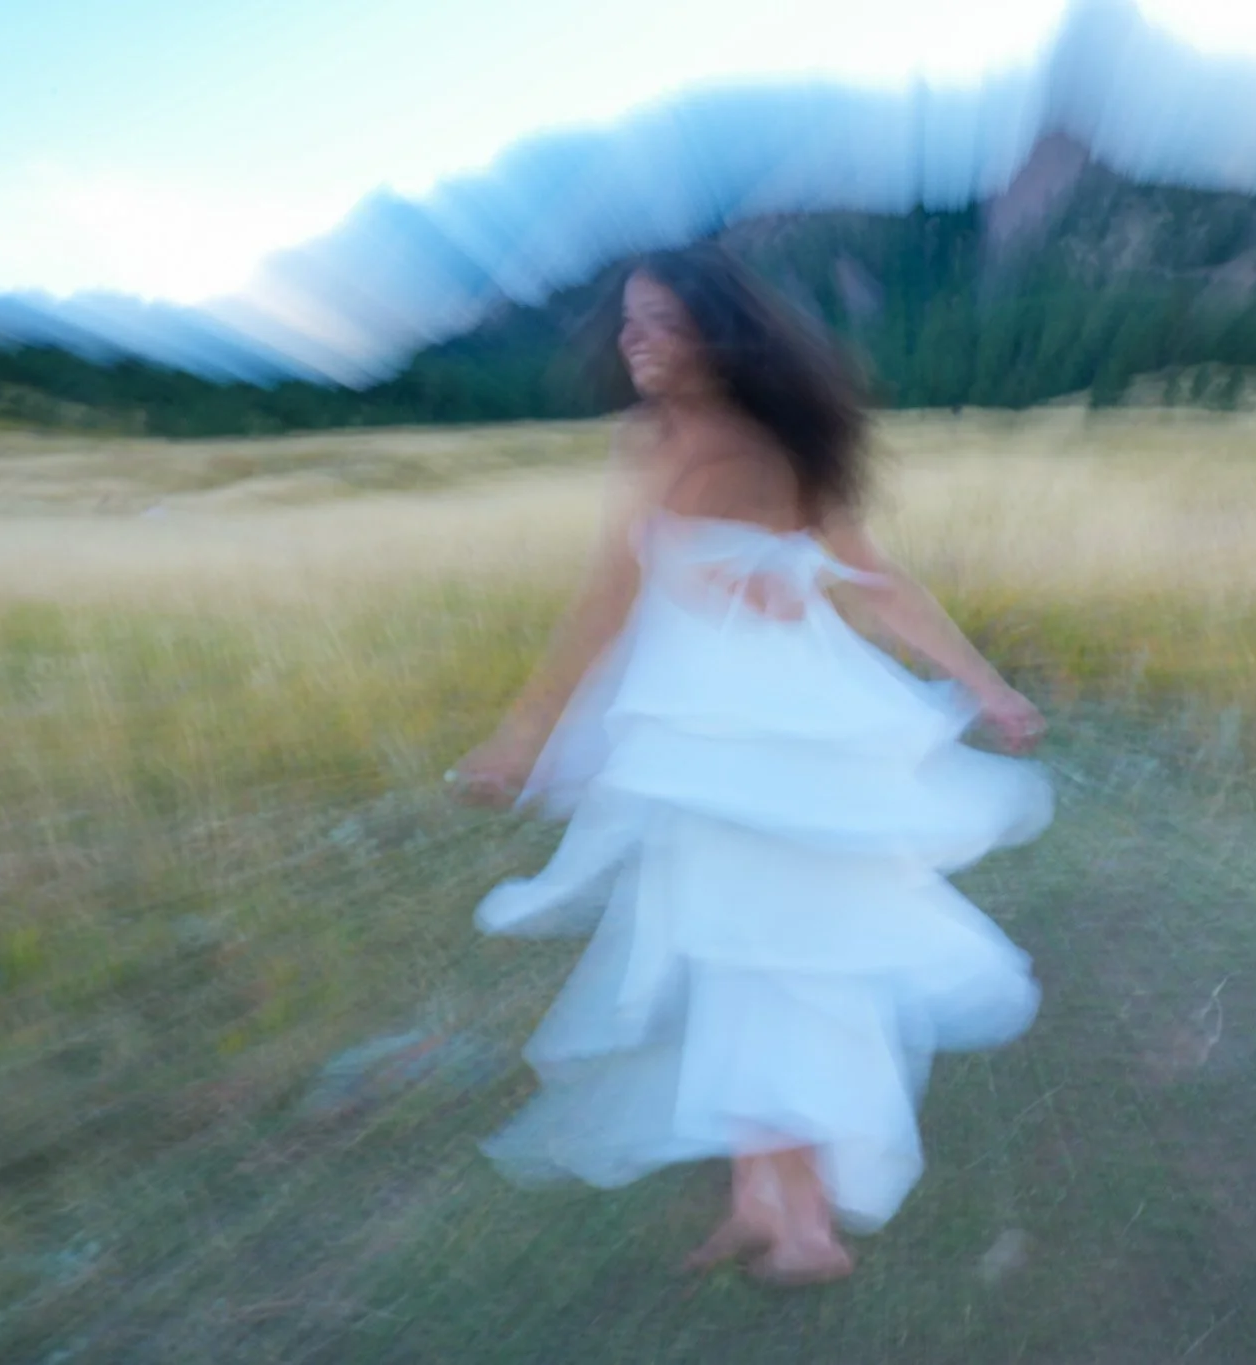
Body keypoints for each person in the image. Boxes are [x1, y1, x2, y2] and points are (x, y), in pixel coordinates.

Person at [447, 242, 1051, 1287]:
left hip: (755, 741)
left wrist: (984, 683)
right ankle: (760, 1198)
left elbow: (871, 582)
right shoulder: (679, 438)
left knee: (767, 953)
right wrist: (526, 730)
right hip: (729, 740)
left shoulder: (729, 443)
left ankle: (803, 1222)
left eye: (657, 322)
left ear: (715, 332)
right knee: (742, 954)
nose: (632, 340)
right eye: (627, 321)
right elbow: (627, 590)